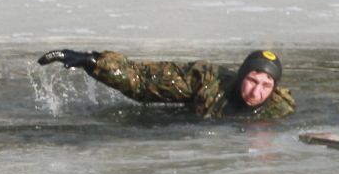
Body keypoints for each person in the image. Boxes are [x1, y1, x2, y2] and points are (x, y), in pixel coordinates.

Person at [35, 48, 293, 121]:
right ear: (241, 76)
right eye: (251, 80)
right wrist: (92, 62)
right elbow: (144, 82)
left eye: (265, 85)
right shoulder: (207, 81)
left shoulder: (280, 109)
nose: (256, 91)